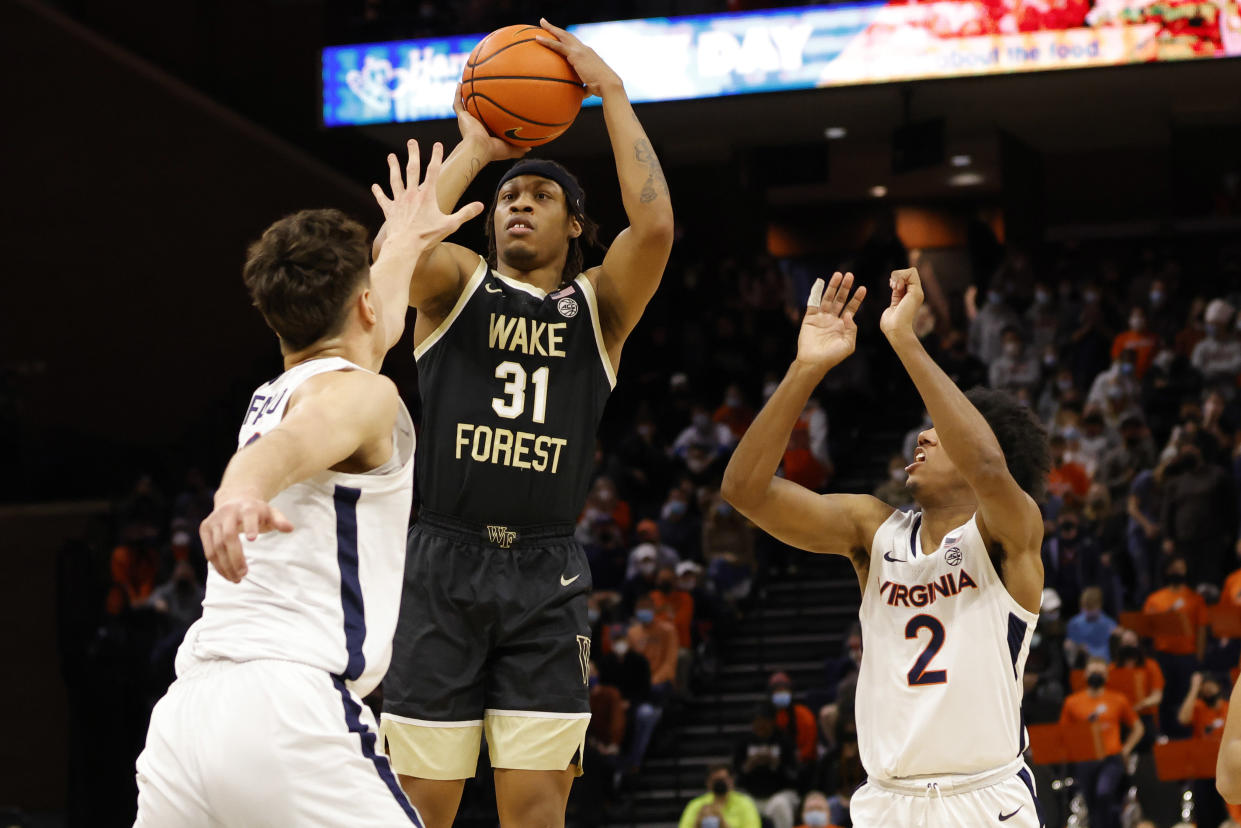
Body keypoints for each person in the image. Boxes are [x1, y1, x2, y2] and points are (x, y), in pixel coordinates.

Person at [378, 20, 674, 828]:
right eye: (511, 196)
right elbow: (397, 249)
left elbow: (653, 230)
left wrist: (610, 92)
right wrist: (475, 150)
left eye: (541, 196)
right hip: (442, 555)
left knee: (537, 813)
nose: (519, 204)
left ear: (575, 225)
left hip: (545, 570)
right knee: (418, 810)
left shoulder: (598, 310)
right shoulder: (457, 287)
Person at [134, 141, 479, 825]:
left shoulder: (287, 384)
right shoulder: (361, 396)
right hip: (286, 711)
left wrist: (467, 159)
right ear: (364, 307)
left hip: (187, 719)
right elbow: (292, 446)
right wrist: (238, 494)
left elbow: (375, 309)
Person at [722, 269, 1050, 827]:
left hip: (984, 797)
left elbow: (989, 464)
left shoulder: (1008, 535)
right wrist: (807, 367)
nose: (922, 436)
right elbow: (744, 490)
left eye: (939, 433)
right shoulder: (874, 531)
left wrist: (904, 338)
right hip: (886, 801)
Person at [1058, 656, 1143, 828]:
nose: (1096, 675)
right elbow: (1064, 733)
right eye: (1093, 671)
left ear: (1106, 676)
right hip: (1085, 759)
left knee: (1104, 794)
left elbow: (1138, 727)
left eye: (1100, 672)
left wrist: (1126, 750)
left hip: (1111, 758)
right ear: (1085, 674)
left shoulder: (1118, 699)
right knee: (1091, 804)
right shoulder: (1073, 702)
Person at [1143, 556, 1208, 739]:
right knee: (1164, 695)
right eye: (1174, 568)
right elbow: (1147, 626)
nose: (1177, 572)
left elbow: (1201, 628)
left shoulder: (1195, 599)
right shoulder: (1155, 599)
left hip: (1187, 656)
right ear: (1167, 571)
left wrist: (1199, 656)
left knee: (1185, 697)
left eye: (1181, 568)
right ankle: (1163, 732)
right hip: (1163, 654)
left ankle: (1186, 734)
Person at [734, 703, 800, 828]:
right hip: (751, 795)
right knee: (740, 804)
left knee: (780, 805)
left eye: (765, 721)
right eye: (757, 722)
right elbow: (736, 777)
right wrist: (749, 765)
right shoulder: (743, 743)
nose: (761, 725)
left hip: (779, 794)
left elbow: (795, 776)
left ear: (772, 722)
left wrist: (776, 764)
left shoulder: (784, 742)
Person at [678, 765, 761, 828]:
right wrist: (697, 824)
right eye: (716, 780)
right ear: (708, 783)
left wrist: (722, 822)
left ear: (731, 781)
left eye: (723, 780)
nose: (720, 783)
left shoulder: (745, 803)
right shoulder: (696, 805)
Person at [1064, 586, 1118, 666]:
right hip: (1083, 663)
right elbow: (1072, 646)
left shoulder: (1108, 623)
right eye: (1086, 607)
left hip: (1105, 663)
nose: (1089, 611)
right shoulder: (1074, 623)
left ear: (1099, 605)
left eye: (1092, 607)